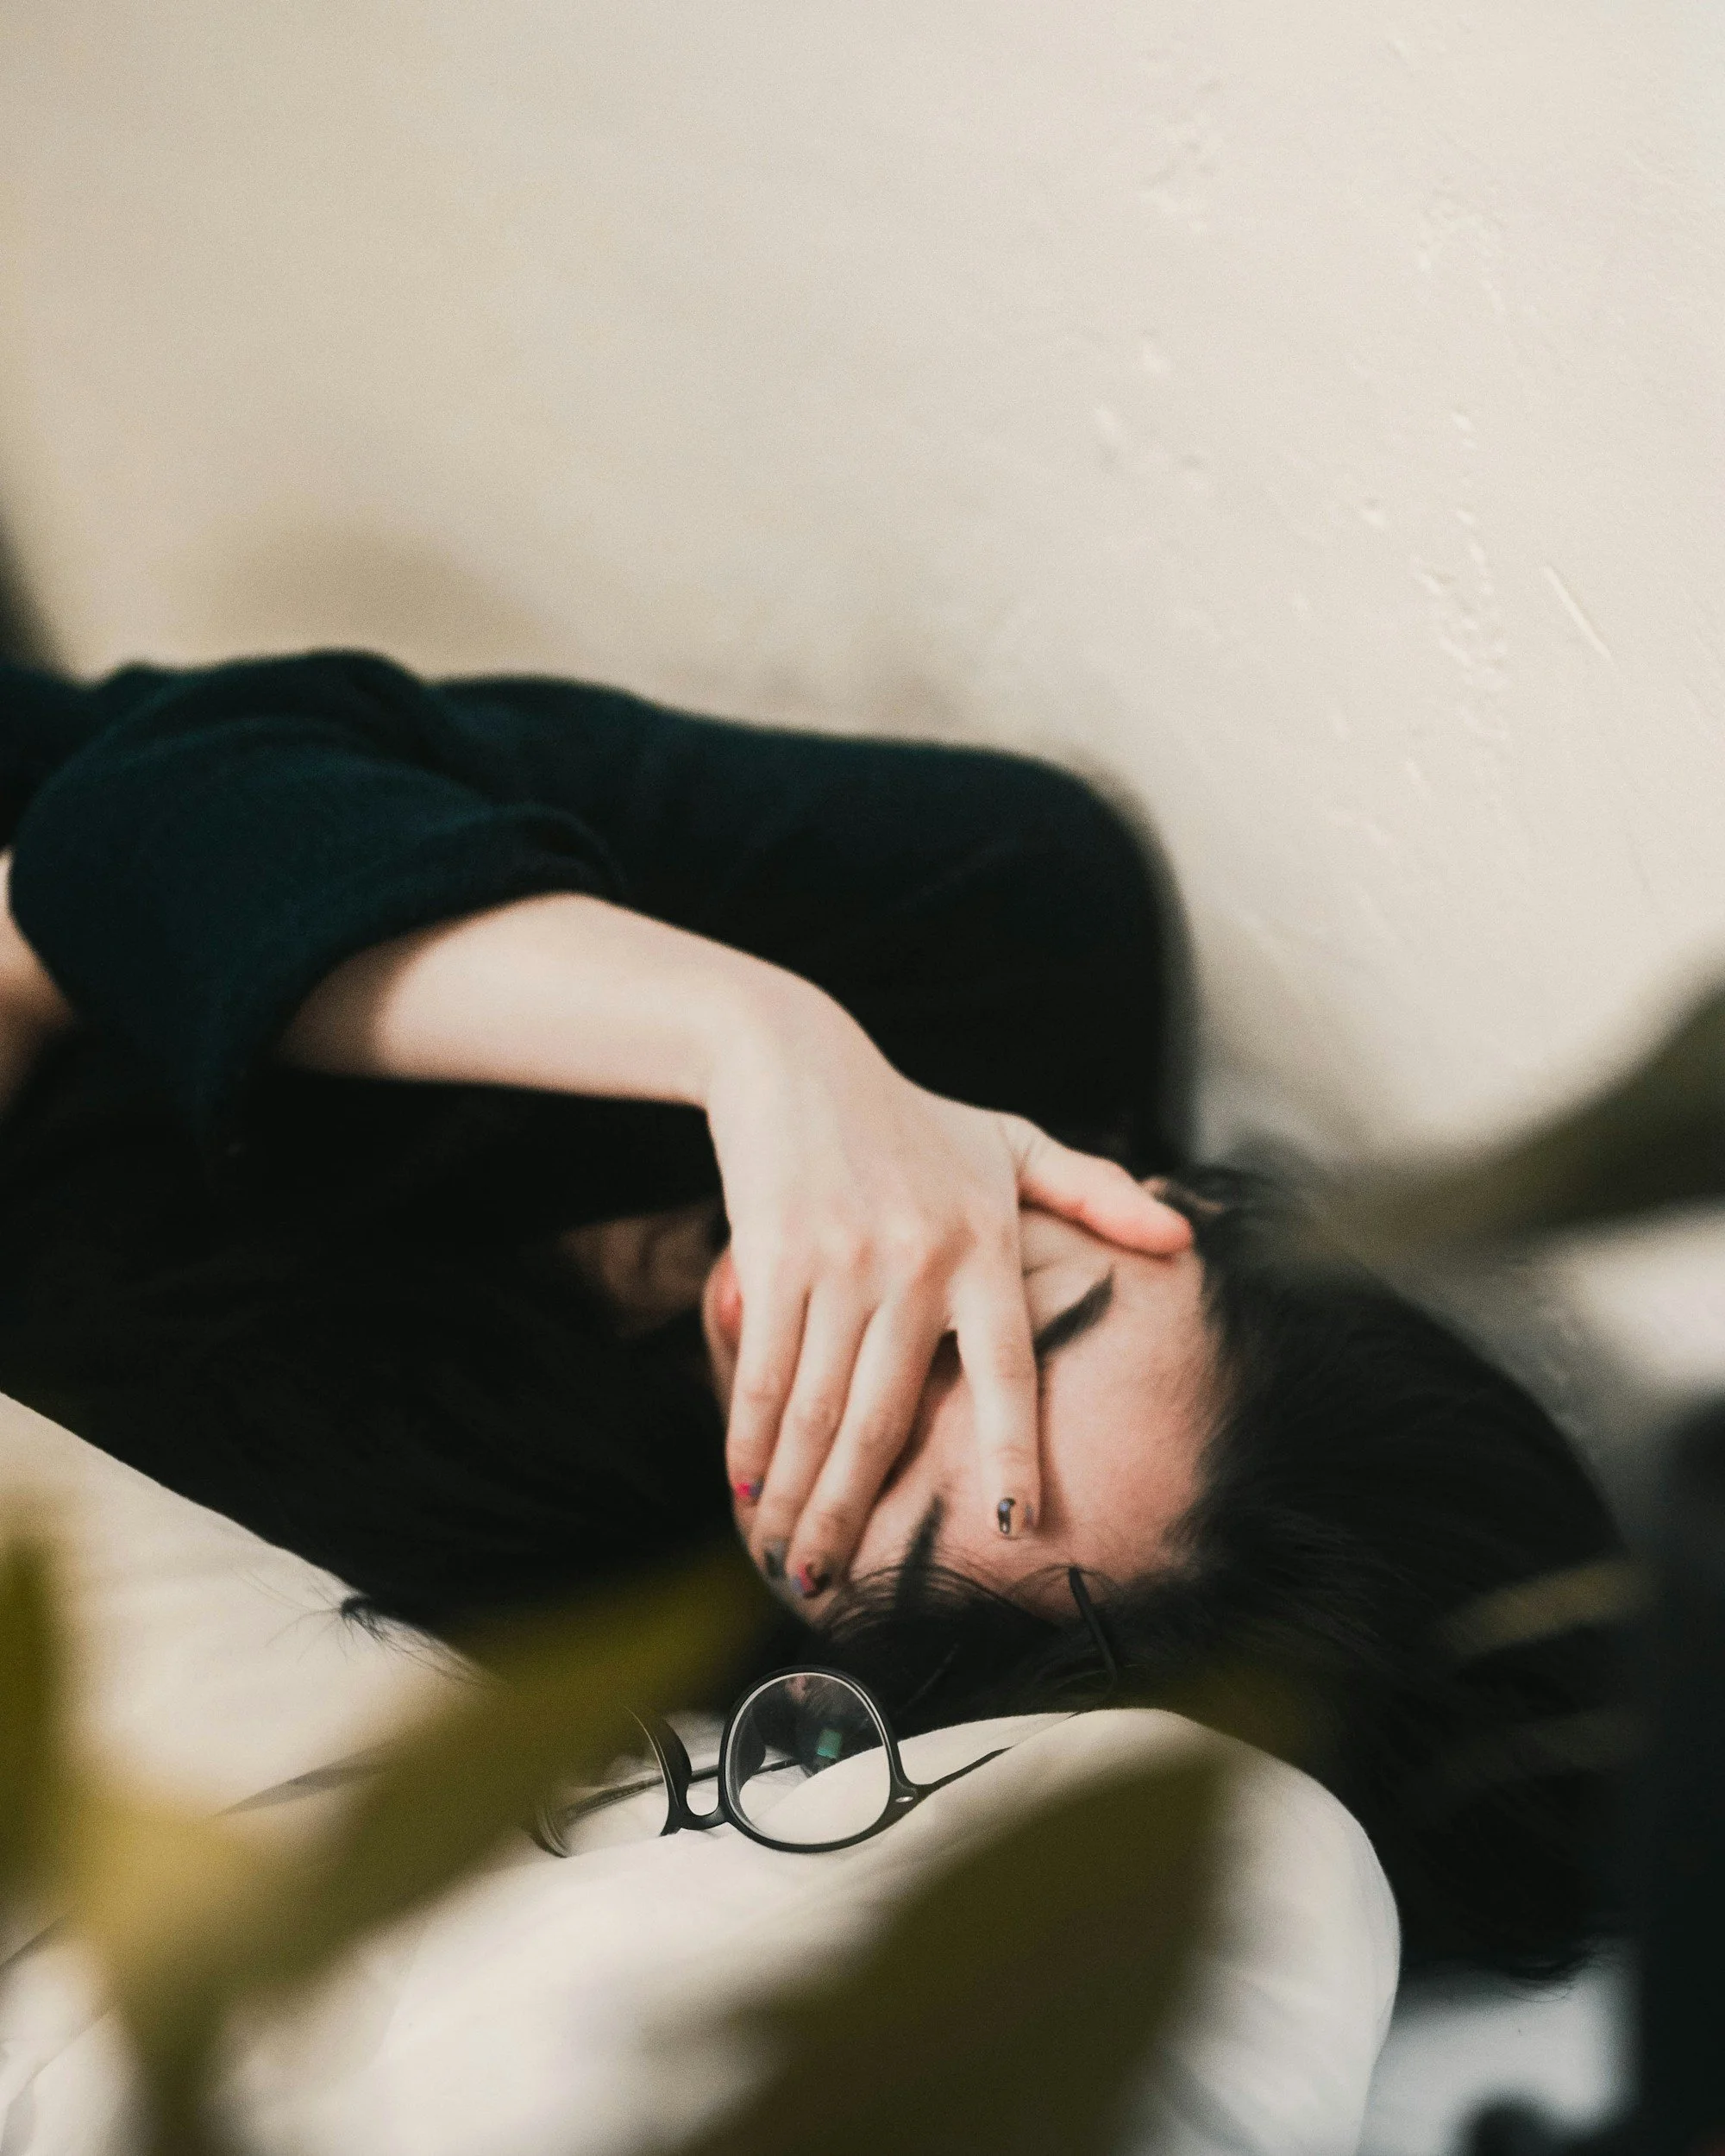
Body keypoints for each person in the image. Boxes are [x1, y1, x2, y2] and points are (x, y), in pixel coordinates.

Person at [0, 649, 1624, 1976]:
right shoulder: (1007, 937)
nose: (818, 1348)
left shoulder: (574, 1638)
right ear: (1173, 1208)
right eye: (1010, 1322)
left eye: (865, 1517)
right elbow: (132, 813)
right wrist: (762, 1044)